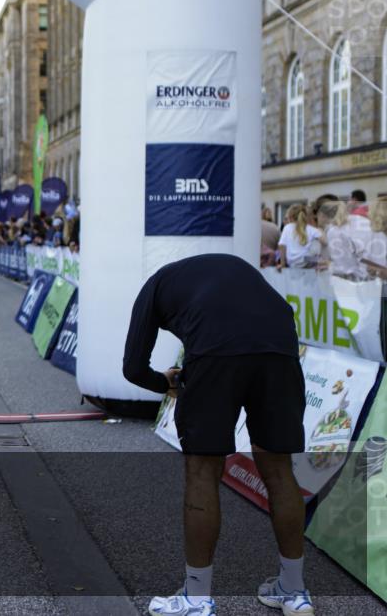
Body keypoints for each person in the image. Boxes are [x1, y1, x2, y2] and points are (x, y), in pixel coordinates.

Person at [122, 254, 312, 616]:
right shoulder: (219, 270)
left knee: (202, 470)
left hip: (215, 346)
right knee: (278, 469)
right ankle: (294, 591)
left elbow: (133, 367)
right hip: (279, 344)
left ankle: (196, 598)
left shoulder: (153, 288)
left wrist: (168, 382)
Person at [277, 204, 324, 269]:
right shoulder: (311, 229)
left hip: (292, 263)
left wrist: (283, 264)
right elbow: (324, 242)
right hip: (308, 263)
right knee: (315, 244)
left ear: (290, 217)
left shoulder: (287, 228)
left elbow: (282, 246)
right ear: (305, 216)